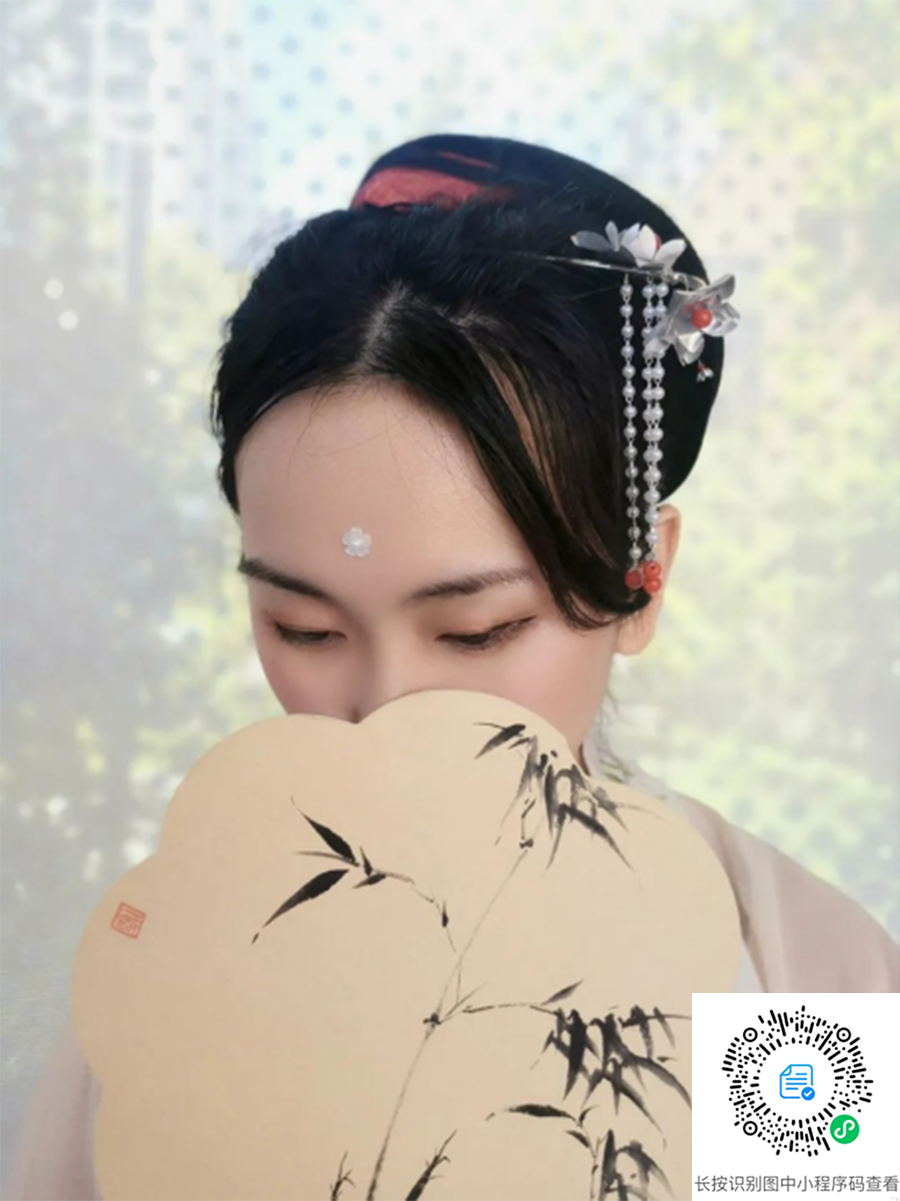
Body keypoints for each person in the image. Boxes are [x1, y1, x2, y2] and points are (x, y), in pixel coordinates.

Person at [3, 132, 896, 1201]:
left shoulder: (793, 982)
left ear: (642, 579)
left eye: (477, 630)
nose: (386, 709)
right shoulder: (168, 965)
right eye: (304, 627)